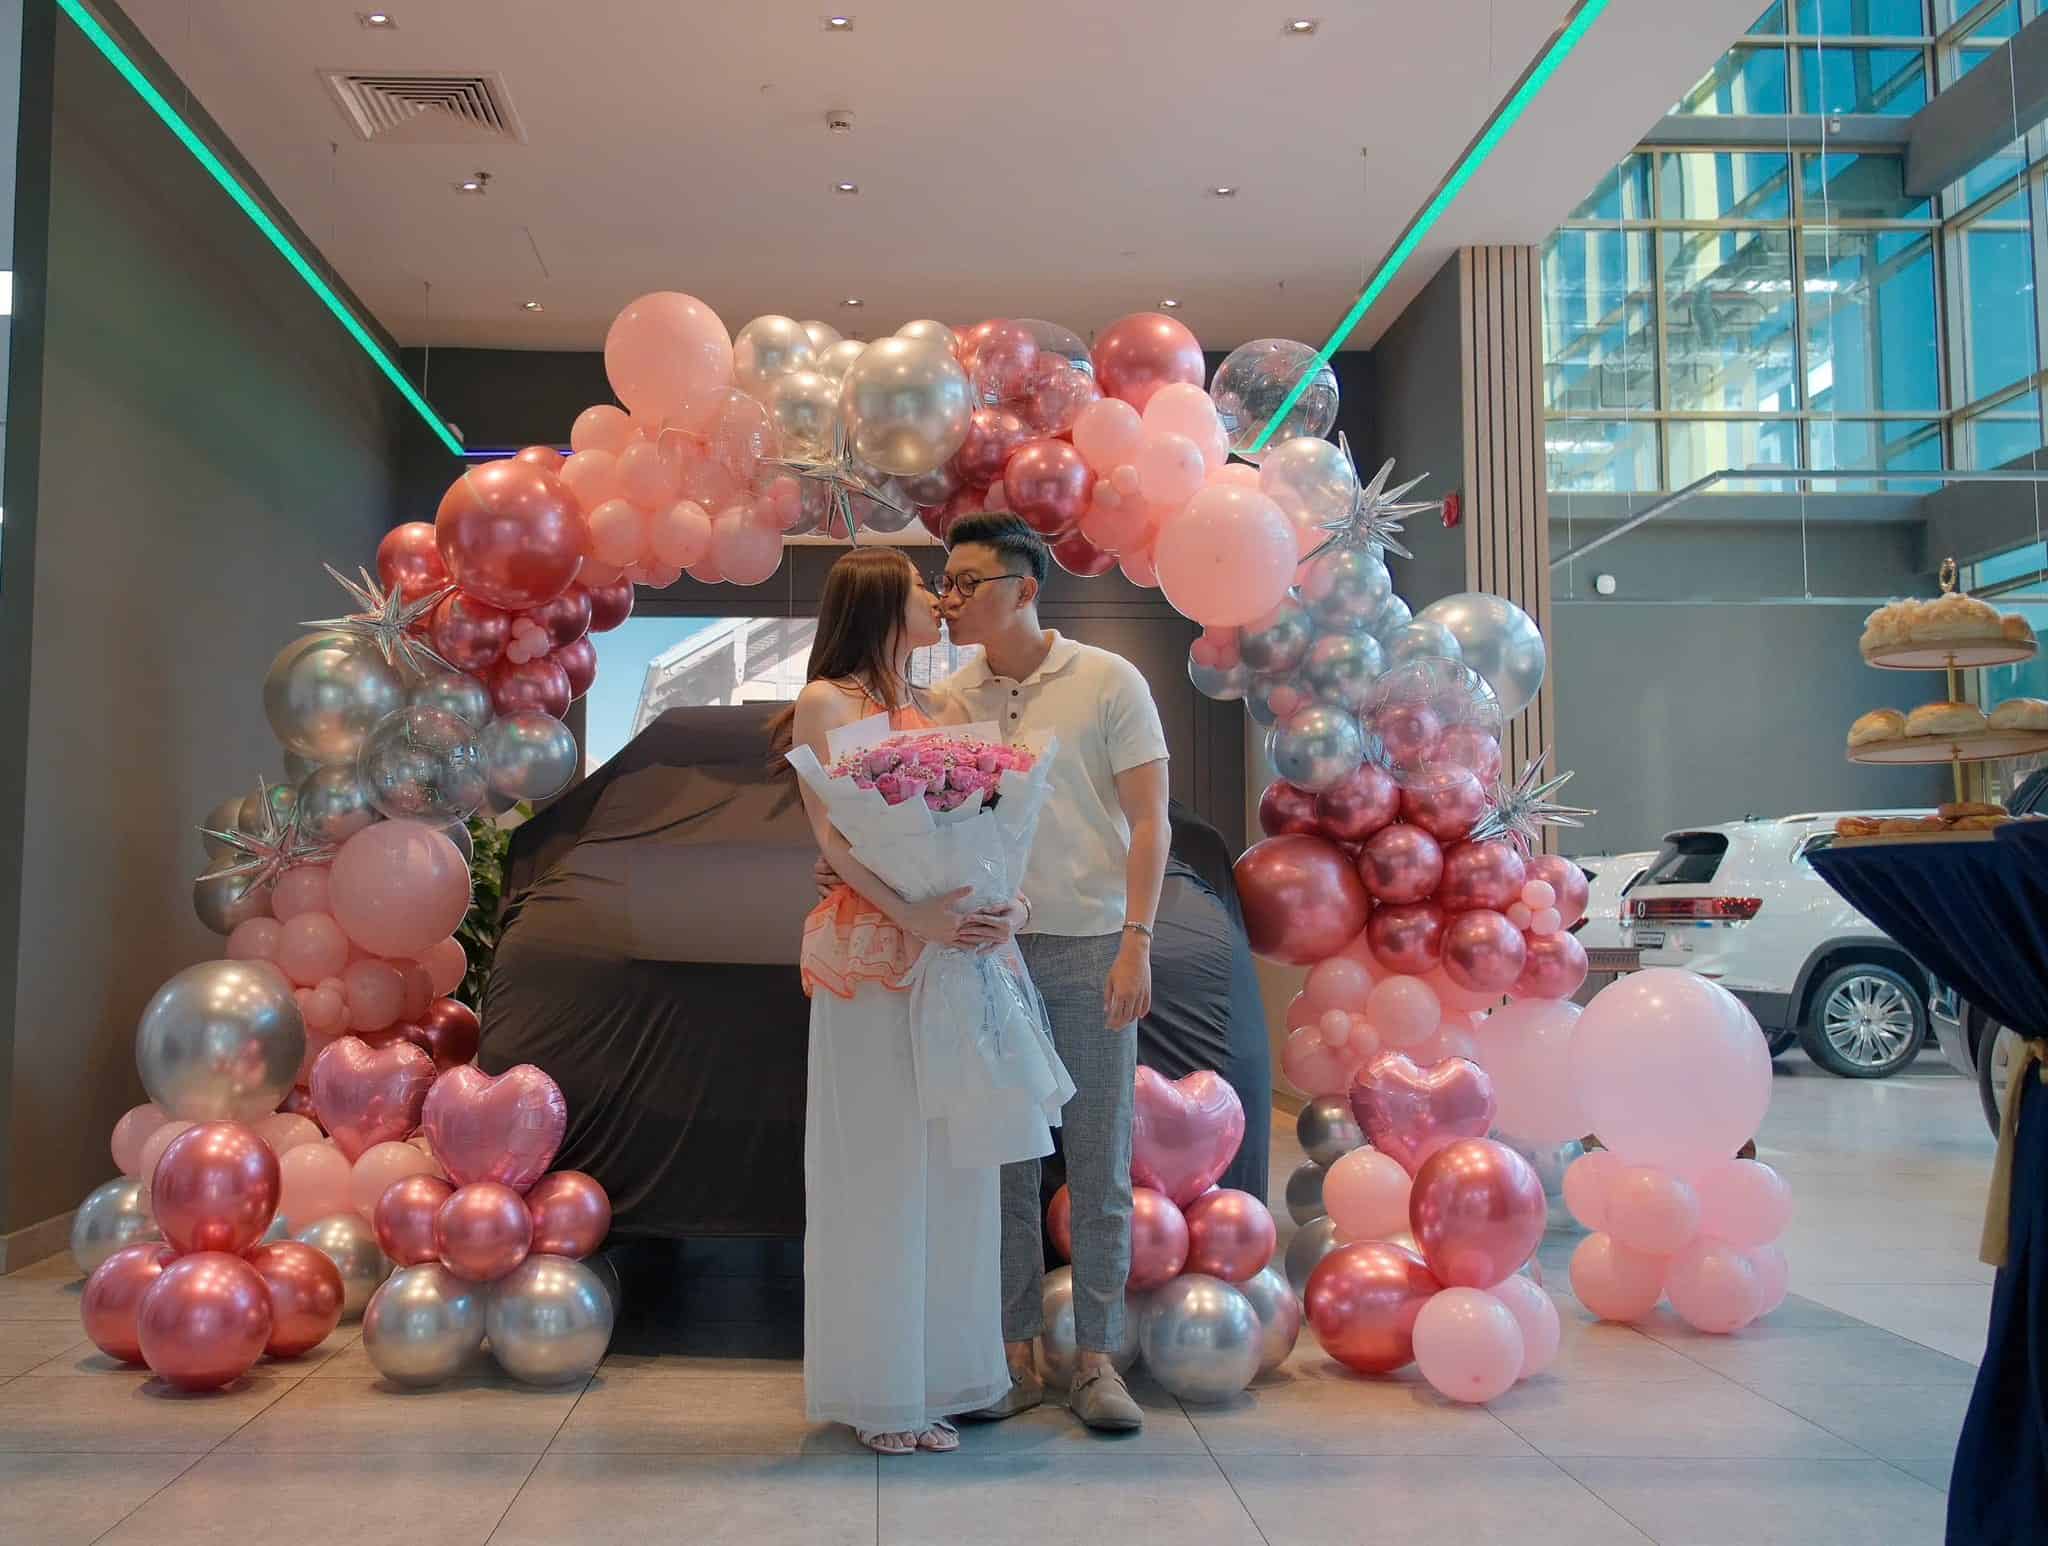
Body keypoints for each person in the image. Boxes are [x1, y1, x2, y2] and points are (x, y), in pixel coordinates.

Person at [775, 546, 1030, 1456]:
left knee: (949, 1172)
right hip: (872, 953)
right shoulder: (826, 700)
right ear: (883, 601)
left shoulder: (940, 706)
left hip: (950, 956)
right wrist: (912, 912)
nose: (940, 600)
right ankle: (880, 1390)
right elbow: (836, 839)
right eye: (926, 588)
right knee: (878, 1169)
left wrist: (1003, 902)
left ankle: (933, 1378)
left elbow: (985, 826)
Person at [936, 512, 1172, 1434]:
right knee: (1002, 1164)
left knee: (1098, 1158)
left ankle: (1098, 1360)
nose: (950, 599)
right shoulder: (949, 698)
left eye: (967, 583)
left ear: (1024, 589)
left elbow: (1149, 821)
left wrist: (1136, 940)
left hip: (1090, 945)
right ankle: (1014, 1355)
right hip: (988, 955)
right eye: (945, 583)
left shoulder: (1108, 680)